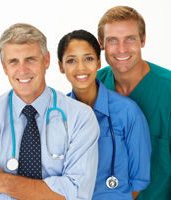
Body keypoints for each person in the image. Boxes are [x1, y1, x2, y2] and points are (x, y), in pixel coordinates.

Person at [0, 23, 100, 200]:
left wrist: (2, 182)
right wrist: (51, 191)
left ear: (47, 60)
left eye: (30, 59)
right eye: (13, 62)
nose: (22, 70)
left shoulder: (80, 117)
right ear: (4, 67)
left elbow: (77, 193)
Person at [58, 29, 151, 200]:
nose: (81, 67)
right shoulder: (57, 116)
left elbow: (139, 179)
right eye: (71, 60)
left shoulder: (128, 112)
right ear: (61, 66)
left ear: (99, 62)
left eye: (89, 58)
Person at [96, 6, 171, 200]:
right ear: (101, 44)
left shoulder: (167, 90)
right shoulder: (93, 86)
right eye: (112, 40)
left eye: (130, 38)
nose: (121, 49)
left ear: (143, 40)